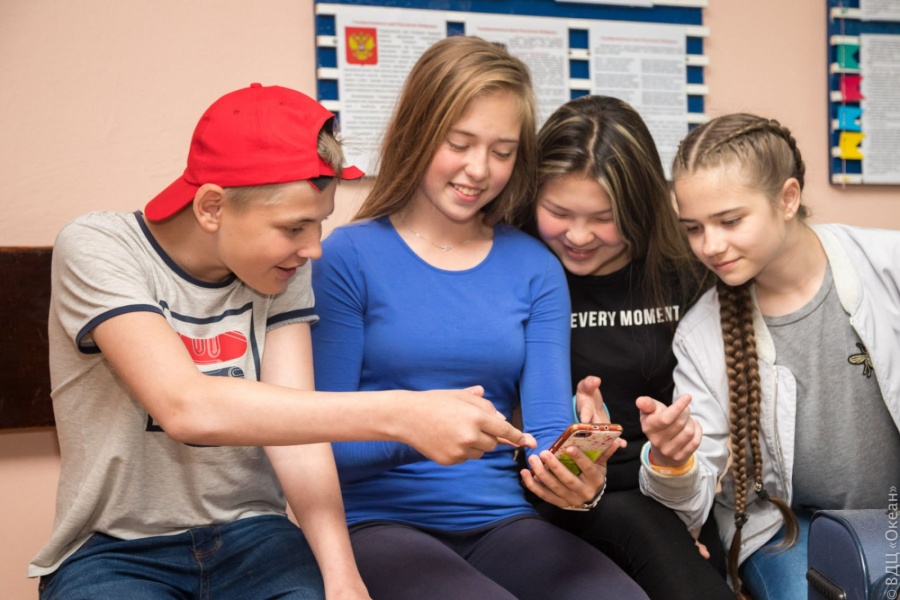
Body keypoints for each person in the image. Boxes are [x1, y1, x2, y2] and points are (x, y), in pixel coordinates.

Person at [30, 83, 532, 600]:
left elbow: (301, 437)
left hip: (256, 540)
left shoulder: (282, 271)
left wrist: (343, 577)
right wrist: (402, 412)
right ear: (211, 207)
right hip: (115, 552)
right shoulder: (99, 247)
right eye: (295, 228)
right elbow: (185, 407)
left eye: (319, 224)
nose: (314, 249)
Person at [311, 37, 649, 600]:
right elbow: (320, 443)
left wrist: (575, 468)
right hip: (375, 522)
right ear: (418, 132)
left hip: (501, 522)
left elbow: (542, 434)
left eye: (502, 151)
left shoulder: (536, 269)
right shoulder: (346, 258)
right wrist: (421, 430)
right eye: (459, 143)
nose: (479, 169)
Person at [637, 112, 900, 599]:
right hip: (789, 528)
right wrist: (671, 462)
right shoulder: (701, 335)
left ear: (787, 198)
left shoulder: (888, 266)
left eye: (730, 221)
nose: (710, 245)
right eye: (693, 228)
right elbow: (691, 503)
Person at [511, 94, 731, 599]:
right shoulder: (518, 267)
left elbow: (710, 424)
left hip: (669, 491)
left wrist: (686, 518)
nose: (579, 235)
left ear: (638, 207)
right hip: (554, 494)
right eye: (558, 212)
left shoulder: (687, 272)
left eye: (604, 217)